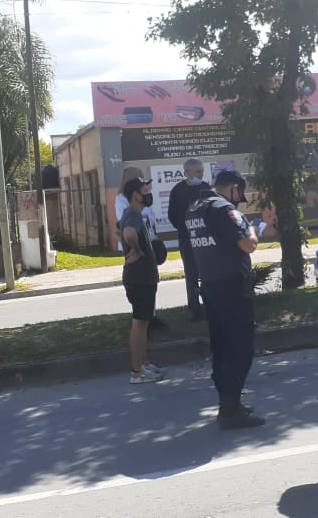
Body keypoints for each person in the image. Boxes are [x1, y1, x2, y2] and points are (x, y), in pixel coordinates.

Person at [185, 170, 265, 430]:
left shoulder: (195, 207)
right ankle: (230, 410)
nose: (240, 198)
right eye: (239, 192)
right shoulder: (223, 208)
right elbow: (247, 245)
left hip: (210, 285)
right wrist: (254, 228)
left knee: (221, 347)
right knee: (240, 348)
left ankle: (228, 403)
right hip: (231, 286)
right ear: (232, 188)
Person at [118, 177, 164, 384]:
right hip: (139, 278)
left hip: (143, 278)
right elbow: (128, 233)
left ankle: (143, 365)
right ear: (136, 195)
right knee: (139, 322)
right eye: (145, 189)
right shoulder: (133, 215)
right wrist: (136, 250)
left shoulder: (135, 214)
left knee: (144, 323)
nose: (148, 192)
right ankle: (136, 371)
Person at [168, 158, 210, 322]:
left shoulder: (206, 188)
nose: (201, 174)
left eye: (202, 171)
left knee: (207, 273)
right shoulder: (177, 191)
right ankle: (194, 309)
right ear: (187, 173)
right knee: (191, 274)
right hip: (187, 239)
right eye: (198, 171)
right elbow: (172, 215)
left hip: (206, 238)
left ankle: (210, 306)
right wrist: (185, 228)